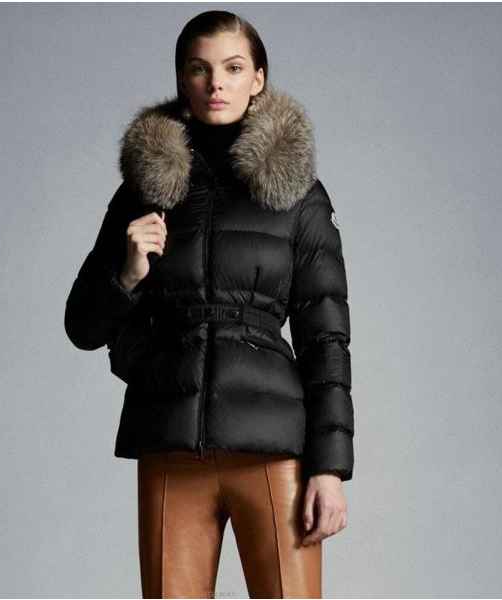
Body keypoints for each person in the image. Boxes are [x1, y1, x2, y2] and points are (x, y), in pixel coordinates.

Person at [64, 10, 354, 599]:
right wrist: (128, 274)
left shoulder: (299, 195)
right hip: (170, 444)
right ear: (182, 79)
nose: (216, 82)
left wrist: (329, 468)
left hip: (273, 450)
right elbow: (83, 327)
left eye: (233, 67)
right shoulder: (143, 192)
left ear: (258, 78)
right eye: (199, 69)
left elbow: (326, 338)